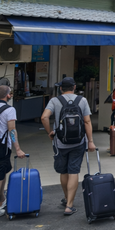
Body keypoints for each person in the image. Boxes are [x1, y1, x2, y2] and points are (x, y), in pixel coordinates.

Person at [41, 77, 95, 216]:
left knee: (63, 172)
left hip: (60, 142)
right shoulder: (82, 100)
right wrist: (90, 141)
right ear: (74, 87)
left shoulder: (54, 100)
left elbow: (44, 117)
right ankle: (69, 205)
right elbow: (87, 122)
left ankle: (66, 198)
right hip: (78, 142)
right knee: (73, 171)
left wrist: (50, 133)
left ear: (60, 88)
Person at [0, 85, 26, 219]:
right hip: (1, 147)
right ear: (8, 95)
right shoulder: (10, 110)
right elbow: (12, 130)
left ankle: (0, 202)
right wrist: (17, 149)